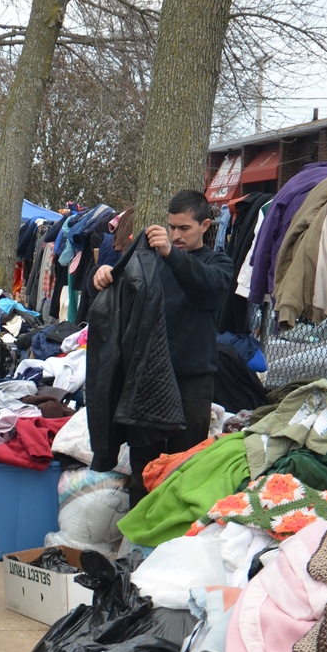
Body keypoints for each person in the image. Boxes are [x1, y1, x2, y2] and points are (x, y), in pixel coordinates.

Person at [90, 188, 233, 502]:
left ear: (205, 226)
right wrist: (102, 274)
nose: (176, 234)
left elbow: (209, 289)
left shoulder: (217, 262)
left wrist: (171, 253)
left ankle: (173, 540)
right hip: (146, 377)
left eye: (184, 228)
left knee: (184, 464)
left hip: (191, 381)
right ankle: (136, 542)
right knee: (145, 464)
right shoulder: (149, 261)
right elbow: (117, 291)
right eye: (171, 227)